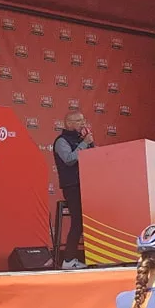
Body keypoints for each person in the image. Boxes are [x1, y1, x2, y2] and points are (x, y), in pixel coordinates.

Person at [53, 111, 95, 269]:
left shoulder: (82, 139)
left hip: (88, 185)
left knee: (88, 222)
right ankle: (68, 260)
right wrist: (84, 144)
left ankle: (93, 257)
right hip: (72, 186)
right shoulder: (61, 141)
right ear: (68, 123)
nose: (82, 123)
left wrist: (90, 143)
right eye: (78, 121)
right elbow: (69, 159)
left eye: (83, 120)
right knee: (78, 222)